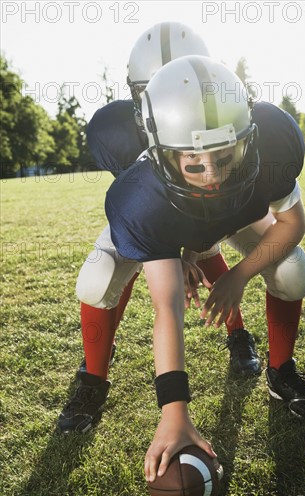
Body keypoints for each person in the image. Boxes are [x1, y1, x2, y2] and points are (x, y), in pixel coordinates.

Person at [98, 55, 305, 481]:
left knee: (292, 271)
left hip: (238, 217)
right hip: (173, 218)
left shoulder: (271, 144)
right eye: (195, 164)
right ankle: (92, 377)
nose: (214, 177)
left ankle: (282, 371)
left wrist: (240, 274)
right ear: (161, 152)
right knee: (96, 279)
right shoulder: (141, 198)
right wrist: (174, 411)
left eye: (226, 156)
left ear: (249, 136)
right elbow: (168, 308)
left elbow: (293, 223)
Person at [57, 23, 260, 436]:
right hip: (156, 212)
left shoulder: (233, 125)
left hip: (222, 208)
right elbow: (149, 221)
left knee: (278, 266)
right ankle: (94, 376)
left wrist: (192, 251)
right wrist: (174, 252)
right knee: (97, 280)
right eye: (156, 90)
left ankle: (240, 336)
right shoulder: (114, 133)